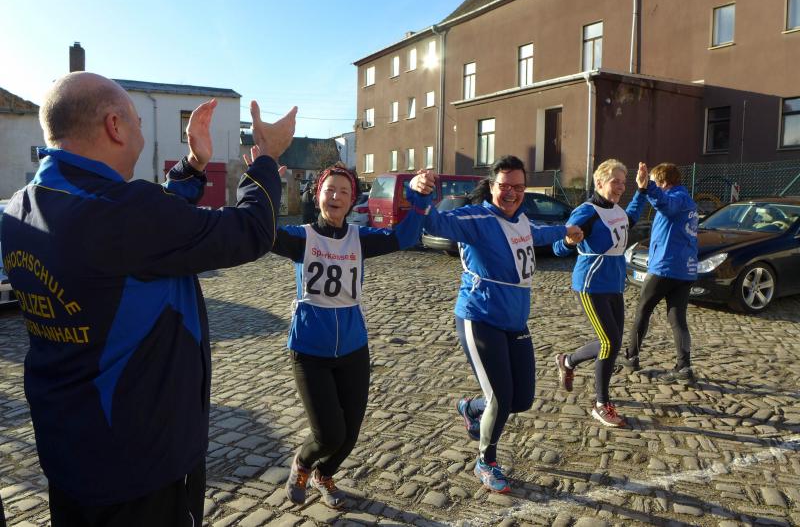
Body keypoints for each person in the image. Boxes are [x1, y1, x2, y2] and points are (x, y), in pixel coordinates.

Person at [0, 72, 297, 526]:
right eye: (137, 120)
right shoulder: (123, 214)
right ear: (114, 126)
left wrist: (193, 166)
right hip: (140, 468)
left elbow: (144, 229)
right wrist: (267, 157)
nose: (140, 129)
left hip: (70, 452)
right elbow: (251, 231)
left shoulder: (21, 206)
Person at [244, 147, 435, 508]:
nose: (335, 196)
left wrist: (420, 198)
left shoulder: (359, 239)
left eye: (344, 191)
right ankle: (303, 464)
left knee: (349, 435)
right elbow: (260, 232)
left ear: (352, 201)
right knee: (328, 433)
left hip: (352, 348)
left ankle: (324, 474)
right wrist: (263, 183)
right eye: (329, 190)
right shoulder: (302, 238)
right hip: (309, 351)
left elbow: (405, 236)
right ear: (317, 195)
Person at [420, 155, 583, 493]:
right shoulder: (475, 217)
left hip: (515, 321)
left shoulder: (521, 220)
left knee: (521, 399)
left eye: (519, 187)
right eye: (505, 186)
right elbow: (433, 223)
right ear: (492, 186)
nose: (512, 193)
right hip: (479, 317)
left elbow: (540, 233)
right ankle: (486, 461)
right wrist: (420, 192)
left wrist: (566, 234)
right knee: (501, 397)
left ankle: (470, 407)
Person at [553, 159, 648, 428]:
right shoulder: (586, 212)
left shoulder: (616, 210)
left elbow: (630, 218)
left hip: (614, 285)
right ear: (599, 182)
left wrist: (641, 190)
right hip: (591, 285)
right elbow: (559, 247)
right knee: (609, 342)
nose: (620, 187)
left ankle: (567, 361)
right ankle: (601, 404)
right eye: (615, 181)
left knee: (612, 343)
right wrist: (568, 241)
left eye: (623, 182)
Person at [624, 162, 698, 383]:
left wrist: (647, 187)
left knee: (643, 311)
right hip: (684, 270)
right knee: (677, 319)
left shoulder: (675, 198)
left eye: (656, 182)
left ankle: (631, 357)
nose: (654, 185)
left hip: (665, 267)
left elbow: (665, 204)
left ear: (664, 182)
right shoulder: (688, 201)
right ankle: (684, 367)